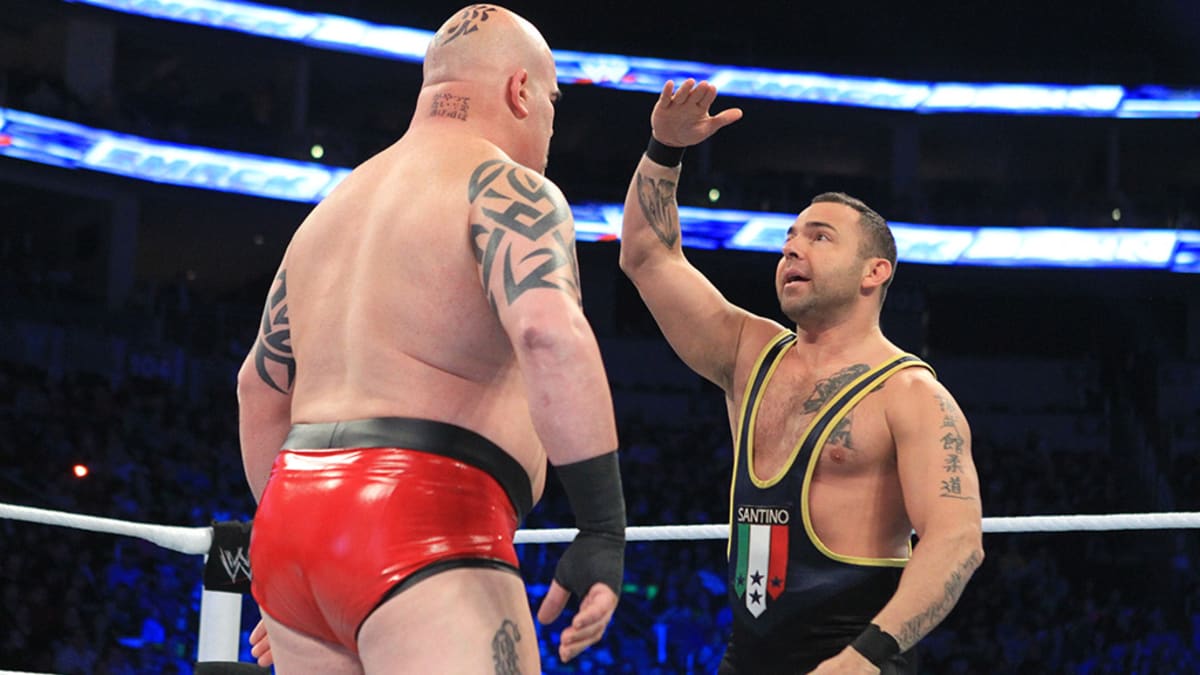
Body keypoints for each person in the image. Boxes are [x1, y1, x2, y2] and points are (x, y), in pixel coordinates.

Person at [236, 6, 625, 673]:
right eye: (553, 101)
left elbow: (258, 388)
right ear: (521, 90)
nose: (551, 123)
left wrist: (302, 548)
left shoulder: (329, 211)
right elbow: (546, 332)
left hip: (290, 519)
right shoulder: (510, 189)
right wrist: (602, 525)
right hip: (426, 515)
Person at [619, 79, 984, 674]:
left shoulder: (910, 395)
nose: (792, 248)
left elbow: (956, 541)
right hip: (747, 658)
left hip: (856, 658)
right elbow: (646, 256)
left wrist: (864, 657)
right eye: (789, 237)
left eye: (819, 237)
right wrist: (665, 148)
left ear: (874, 272)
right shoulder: (748, 354)